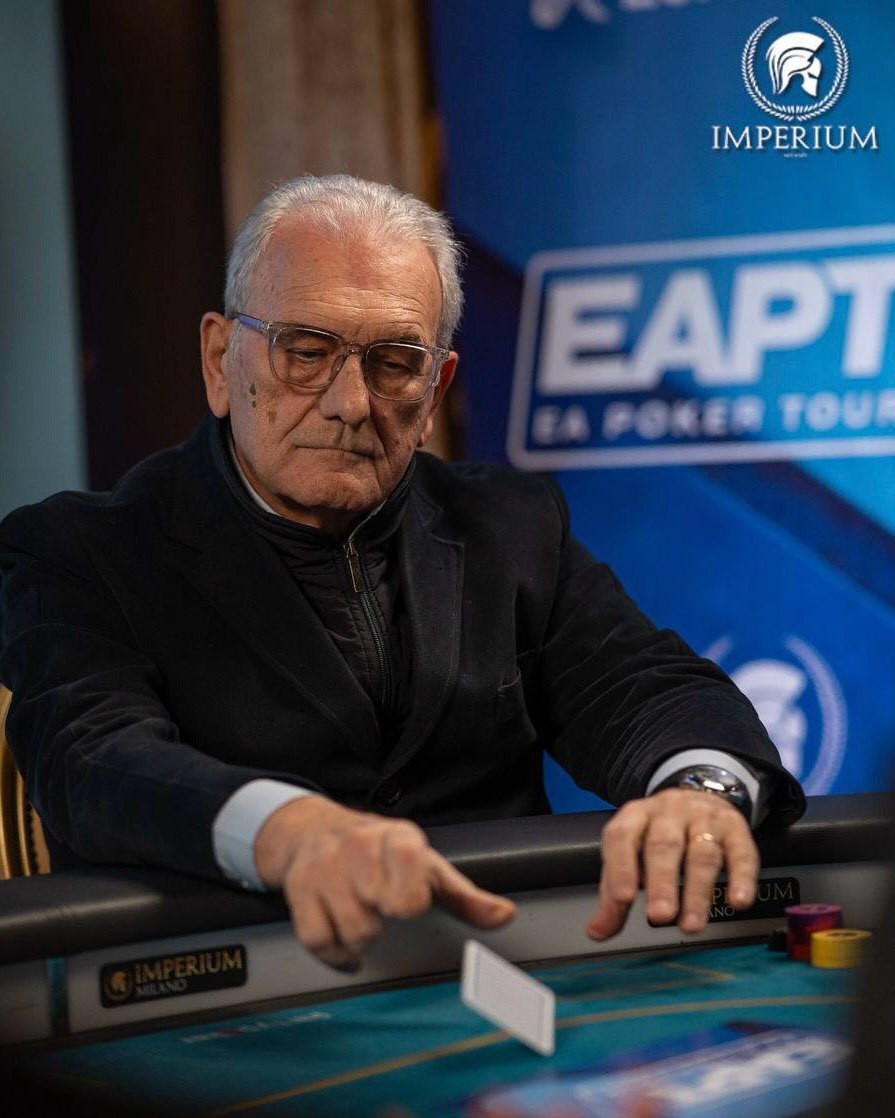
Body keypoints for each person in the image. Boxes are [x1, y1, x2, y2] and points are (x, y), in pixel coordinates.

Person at [0, 175, 803, 972]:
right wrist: (288, 830)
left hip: (506, 967)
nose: (350, 402)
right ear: (219, 361)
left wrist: (699, 790)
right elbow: (94, 760)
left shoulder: (510, 525)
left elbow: (643, 687)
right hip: (222, 990)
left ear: (435, 390)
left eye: (393, 363)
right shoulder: (76, 550)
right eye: (305, 352)